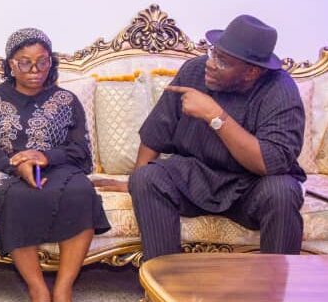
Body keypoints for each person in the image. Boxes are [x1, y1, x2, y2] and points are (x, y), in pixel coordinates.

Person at [126, 14, 305, 261]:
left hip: (250, 185)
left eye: (222, 61)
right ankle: (164, 280)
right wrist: (135, 184)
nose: (211, 63)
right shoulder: (195, 71)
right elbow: (156, 134)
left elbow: (268, 162)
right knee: (147, 177)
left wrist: (215, 115)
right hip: (195, 176)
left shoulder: (280, 90)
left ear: (252, 72)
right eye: (213, 53)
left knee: (282, 191)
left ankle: (276, 285)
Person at [0, 28, 109, 302]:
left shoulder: (67, 100)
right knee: (17, 197)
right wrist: (15, 164)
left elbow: (81, 152)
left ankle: (63, 290)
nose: (34, 70)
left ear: (51, 62)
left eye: (42, 62)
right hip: (5, 173)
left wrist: (46, 157)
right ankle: (38, 290)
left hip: (59, 169)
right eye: (25, 62)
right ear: (10, 64)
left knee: (82, 192)